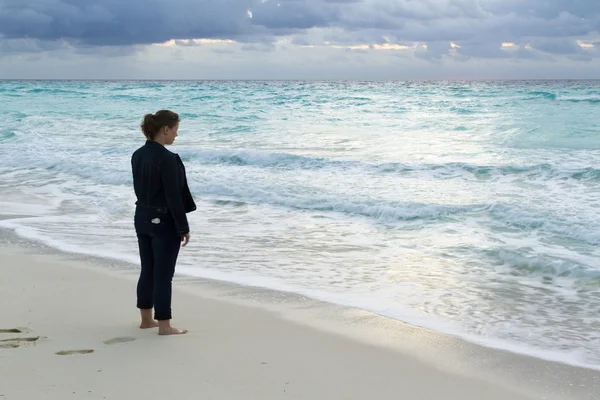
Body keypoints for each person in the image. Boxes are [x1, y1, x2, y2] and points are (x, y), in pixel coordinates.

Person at [131, 110, 197, 335]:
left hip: (141, 217)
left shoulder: (138, 154)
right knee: (163, 274)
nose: (176, 135)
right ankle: (165, 326)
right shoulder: (167, 159)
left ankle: (146, 320)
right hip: (163, 221)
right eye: (176, 130)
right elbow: (173, 197)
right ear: (165, 129)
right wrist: (183, 227)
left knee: (147, 269)